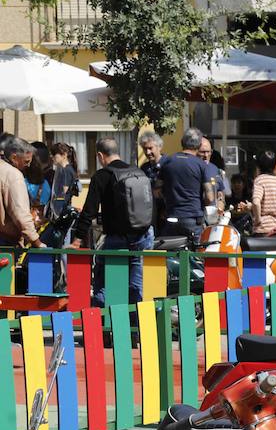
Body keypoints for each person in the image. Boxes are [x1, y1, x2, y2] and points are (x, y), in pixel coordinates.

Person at [70, 138, 155, 305]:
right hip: (143, 235)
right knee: (136, 285)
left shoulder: (102, 176)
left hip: (117, 239)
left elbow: (89, 211)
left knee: (104, 281)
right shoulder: (138, 172)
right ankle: (135, 326)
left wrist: (77, 240)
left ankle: (104, 323)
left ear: (100, 155)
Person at [158, 128, 218, 239]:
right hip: (193, 218)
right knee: (196, 253)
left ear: (182, 142)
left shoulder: (167, 162)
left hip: (171, 217)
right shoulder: (201, 165)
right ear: (199, 145)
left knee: (171, 252)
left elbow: (157, 191)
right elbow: (209, 198)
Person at [0, 137, 41, 284]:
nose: (28, 166)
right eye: (26, 161)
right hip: (5, 243)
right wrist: (36, 242)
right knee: (6, 290)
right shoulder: (13, 175)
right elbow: (20, 214)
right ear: (14, 157)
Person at [250, 150, 276, 237]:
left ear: (259, 166)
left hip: (262, 231)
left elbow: (256, 202)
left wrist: (258, 220)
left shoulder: (260, 180)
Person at [195, 136, 229, 210]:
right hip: (195, 214)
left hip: (212, 216)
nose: (206, 155)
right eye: (202, 152)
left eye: (208, 152)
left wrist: (221, 203)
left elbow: (220, 192)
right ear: (195, 151)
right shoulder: (191, 169)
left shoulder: (214, 168)